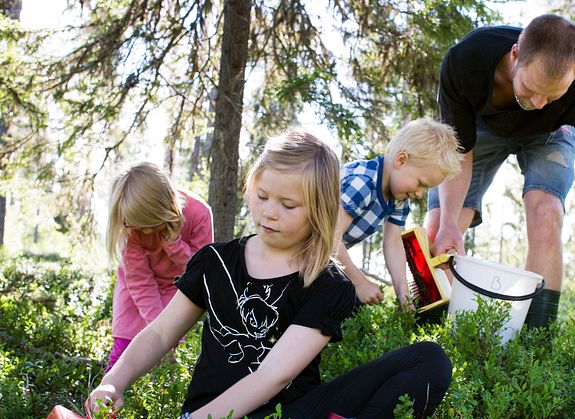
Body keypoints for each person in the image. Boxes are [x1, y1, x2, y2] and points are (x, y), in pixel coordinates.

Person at [87, 129, 453, 419]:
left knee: (429, 360)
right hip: (208, 412)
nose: (270, 213)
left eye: (288, 204)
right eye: (262, 197)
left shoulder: (326, 283)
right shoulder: (215, 261)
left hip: (287, 413)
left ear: (320, 209)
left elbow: (274, 375)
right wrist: (112, 382)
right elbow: (159, 332)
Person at [426, 13, 575, 343]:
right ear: (515, 54)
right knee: (440, 225)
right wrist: (449, 221)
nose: (538, 103)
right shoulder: (467, 62)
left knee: (546, 212)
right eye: (530, 89)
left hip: (550, 134)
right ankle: (436, 331)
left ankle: (535, 341)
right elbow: (458, 153)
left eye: (553, 95)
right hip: (480, 130)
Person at [336, 117, 462, 309]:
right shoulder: (363, 182)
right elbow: (328, 236)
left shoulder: (398, 198)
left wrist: (404, 295)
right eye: (420, 183)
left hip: (321, 255)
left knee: (351, 305)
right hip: (297, 246)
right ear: (401, 160)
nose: (420, 194)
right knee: (339, 297)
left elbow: (393, 243)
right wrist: (359, 281)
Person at [105, 162, 213, 370]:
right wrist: (157, 328)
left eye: (145, 226)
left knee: (164, 362)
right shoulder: (132, 225)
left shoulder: (199, 215)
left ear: (161, 211)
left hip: (178, 292)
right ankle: (104, 400)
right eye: (132, 225)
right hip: (134, 294)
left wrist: (174, 245)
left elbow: (199, 273)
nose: (141, 232)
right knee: (122, 353)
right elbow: (140, 282)